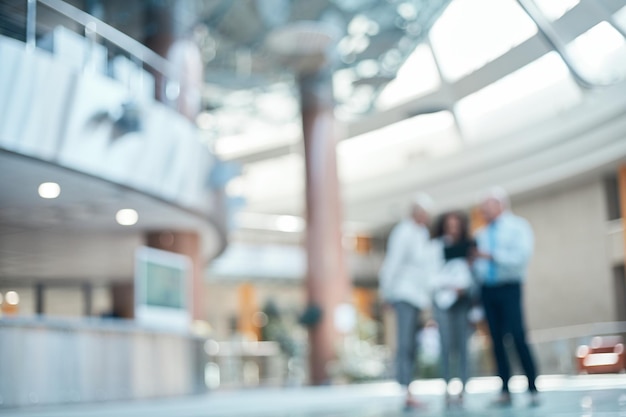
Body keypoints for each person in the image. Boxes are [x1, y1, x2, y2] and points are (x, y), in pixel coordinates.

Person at [472, 188, 539, 407]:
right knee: (496, 341)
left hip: (509, 287)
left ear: (501, 205)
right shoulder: (480, 234)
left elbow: (521, 257)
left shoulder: (518, 226)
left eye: (488, 205)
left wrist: (491, 256)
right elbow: (478, 268)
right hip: (488, 290)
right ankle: (504, 389)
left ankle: (532, 387)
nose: (484, 210)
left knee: (518, 335)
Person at [379, 193, 437, 409]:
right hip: (403, 295)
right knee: (405, 344)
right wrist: (386, 293)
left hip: (418, 298)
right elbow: (392, 263)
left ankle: (410, 389)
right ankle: (406, 391)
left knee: (412, 344)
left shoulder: (422, 234)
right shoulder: (403, 232)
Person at [431, 211, 476, 405]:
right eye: (449, 224)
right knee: (446, 345)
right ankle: (448, 388)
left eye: (456, 224)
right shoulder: (436, 247)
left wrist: (464, 288)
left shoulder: (469, 246)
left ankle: (463, 389)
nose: (453, 228)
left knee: (463, 346)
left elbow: (475, 275)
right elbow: (430, 273)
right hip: (443, 301)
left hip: (463, 301)